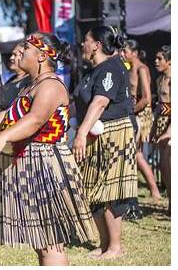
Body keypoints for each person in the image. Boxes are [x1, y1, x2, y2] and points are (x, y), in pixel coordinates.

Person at [0, 32, 96, 266]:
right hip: (29, 163)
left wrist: (3, 138)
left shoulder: (51, 86)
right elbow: (5, 116)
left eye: (26, 49)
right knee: (40, 240)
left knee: (50, 241)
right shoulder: (31, 86)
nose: (19, 52)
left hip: (46, 164)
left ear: (42, 56)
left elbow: (35, 119)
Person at [72, 26, 137, 259]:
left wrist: (81, 134)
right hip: (95, 135)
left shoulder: (111, 68)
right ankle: (104, 243)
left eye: (86, 40)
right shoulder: (93, 71)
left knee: (110, 191)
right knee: (92, 190)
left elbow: (100, 103)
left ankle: (115, 247)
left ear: (97, 45)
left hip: (114, 133)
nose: (82, 44)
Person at [123, 39, 161, 202]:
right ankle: (152, 190)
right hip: (132, 111)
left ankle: (155, 190)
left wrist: (130, 111)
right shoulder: (129, 68)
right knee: (135, 153)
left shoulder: (142, 69)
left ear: (135, 53)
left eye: (126, 51)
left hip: (140, 113)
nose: (123, 54)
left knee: (136, 153)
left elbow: (146, 98)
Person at [151, 45, 171, 215]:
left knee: (168, 165)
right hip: (161, 122)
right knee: (162, 166)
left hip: (170, 125)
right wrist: (153, 129)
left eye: (160, 59)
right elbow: (159, 107)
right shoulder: (160, 80)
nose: (156, 62)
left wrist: (169, 131)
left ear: (169, 61)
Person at [0, 40, 31, 113]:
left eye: (15, 55)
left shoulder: (29, 80)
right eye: (12, 55)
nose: (11, 58)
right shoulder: (12, 78)